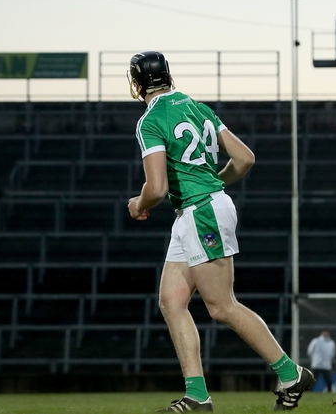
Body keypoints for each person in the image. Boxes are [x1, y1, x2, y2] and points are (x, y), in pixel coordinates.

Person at [126, 51, 314, 412]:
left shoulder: (150, 120)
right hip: (198, 211)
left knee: (222, 306)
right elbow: (245, 158)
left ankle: (291, 373)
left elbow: (157, 188)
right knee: (171, 301)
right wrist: (214, 183)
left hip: (201, 213)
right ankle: (198, 395)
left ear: (137, 84)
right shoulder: (197, 107)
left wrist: (138, 204)